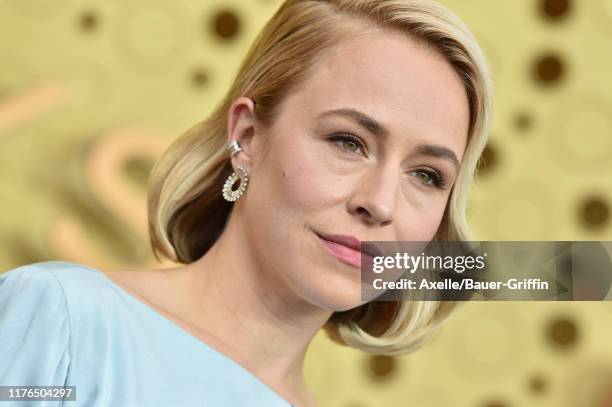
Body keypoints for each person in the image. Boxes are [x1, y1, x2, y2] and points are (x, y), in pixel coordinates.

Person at [0, 0, 493, 405]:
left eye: (427, 175)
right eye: (349, 142)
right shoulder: (64, 320)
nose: (381, 203)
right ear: (248, 137)